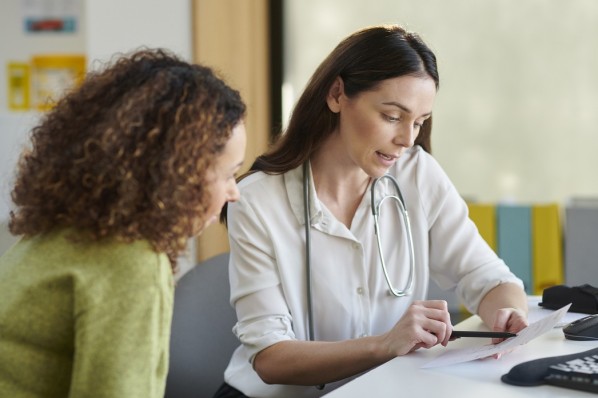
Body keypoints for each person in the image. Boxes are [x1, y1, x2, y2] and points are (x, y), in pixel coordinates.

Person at [215, 24, 528, 397]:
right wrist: (386, 344)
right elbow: (270, 359)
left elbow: (489, 277)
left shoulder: (418, 173)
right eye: (393, 116)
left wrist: (506, 314)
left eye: (419, 122)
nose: (407, 139)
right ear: (337, 94)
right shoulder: (256, 200)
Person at [0, 48, 246, 398]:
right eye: (229, 175)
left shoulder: (60, 229)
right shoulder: (132, 262)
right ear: (177, 173)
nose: (233, 193)